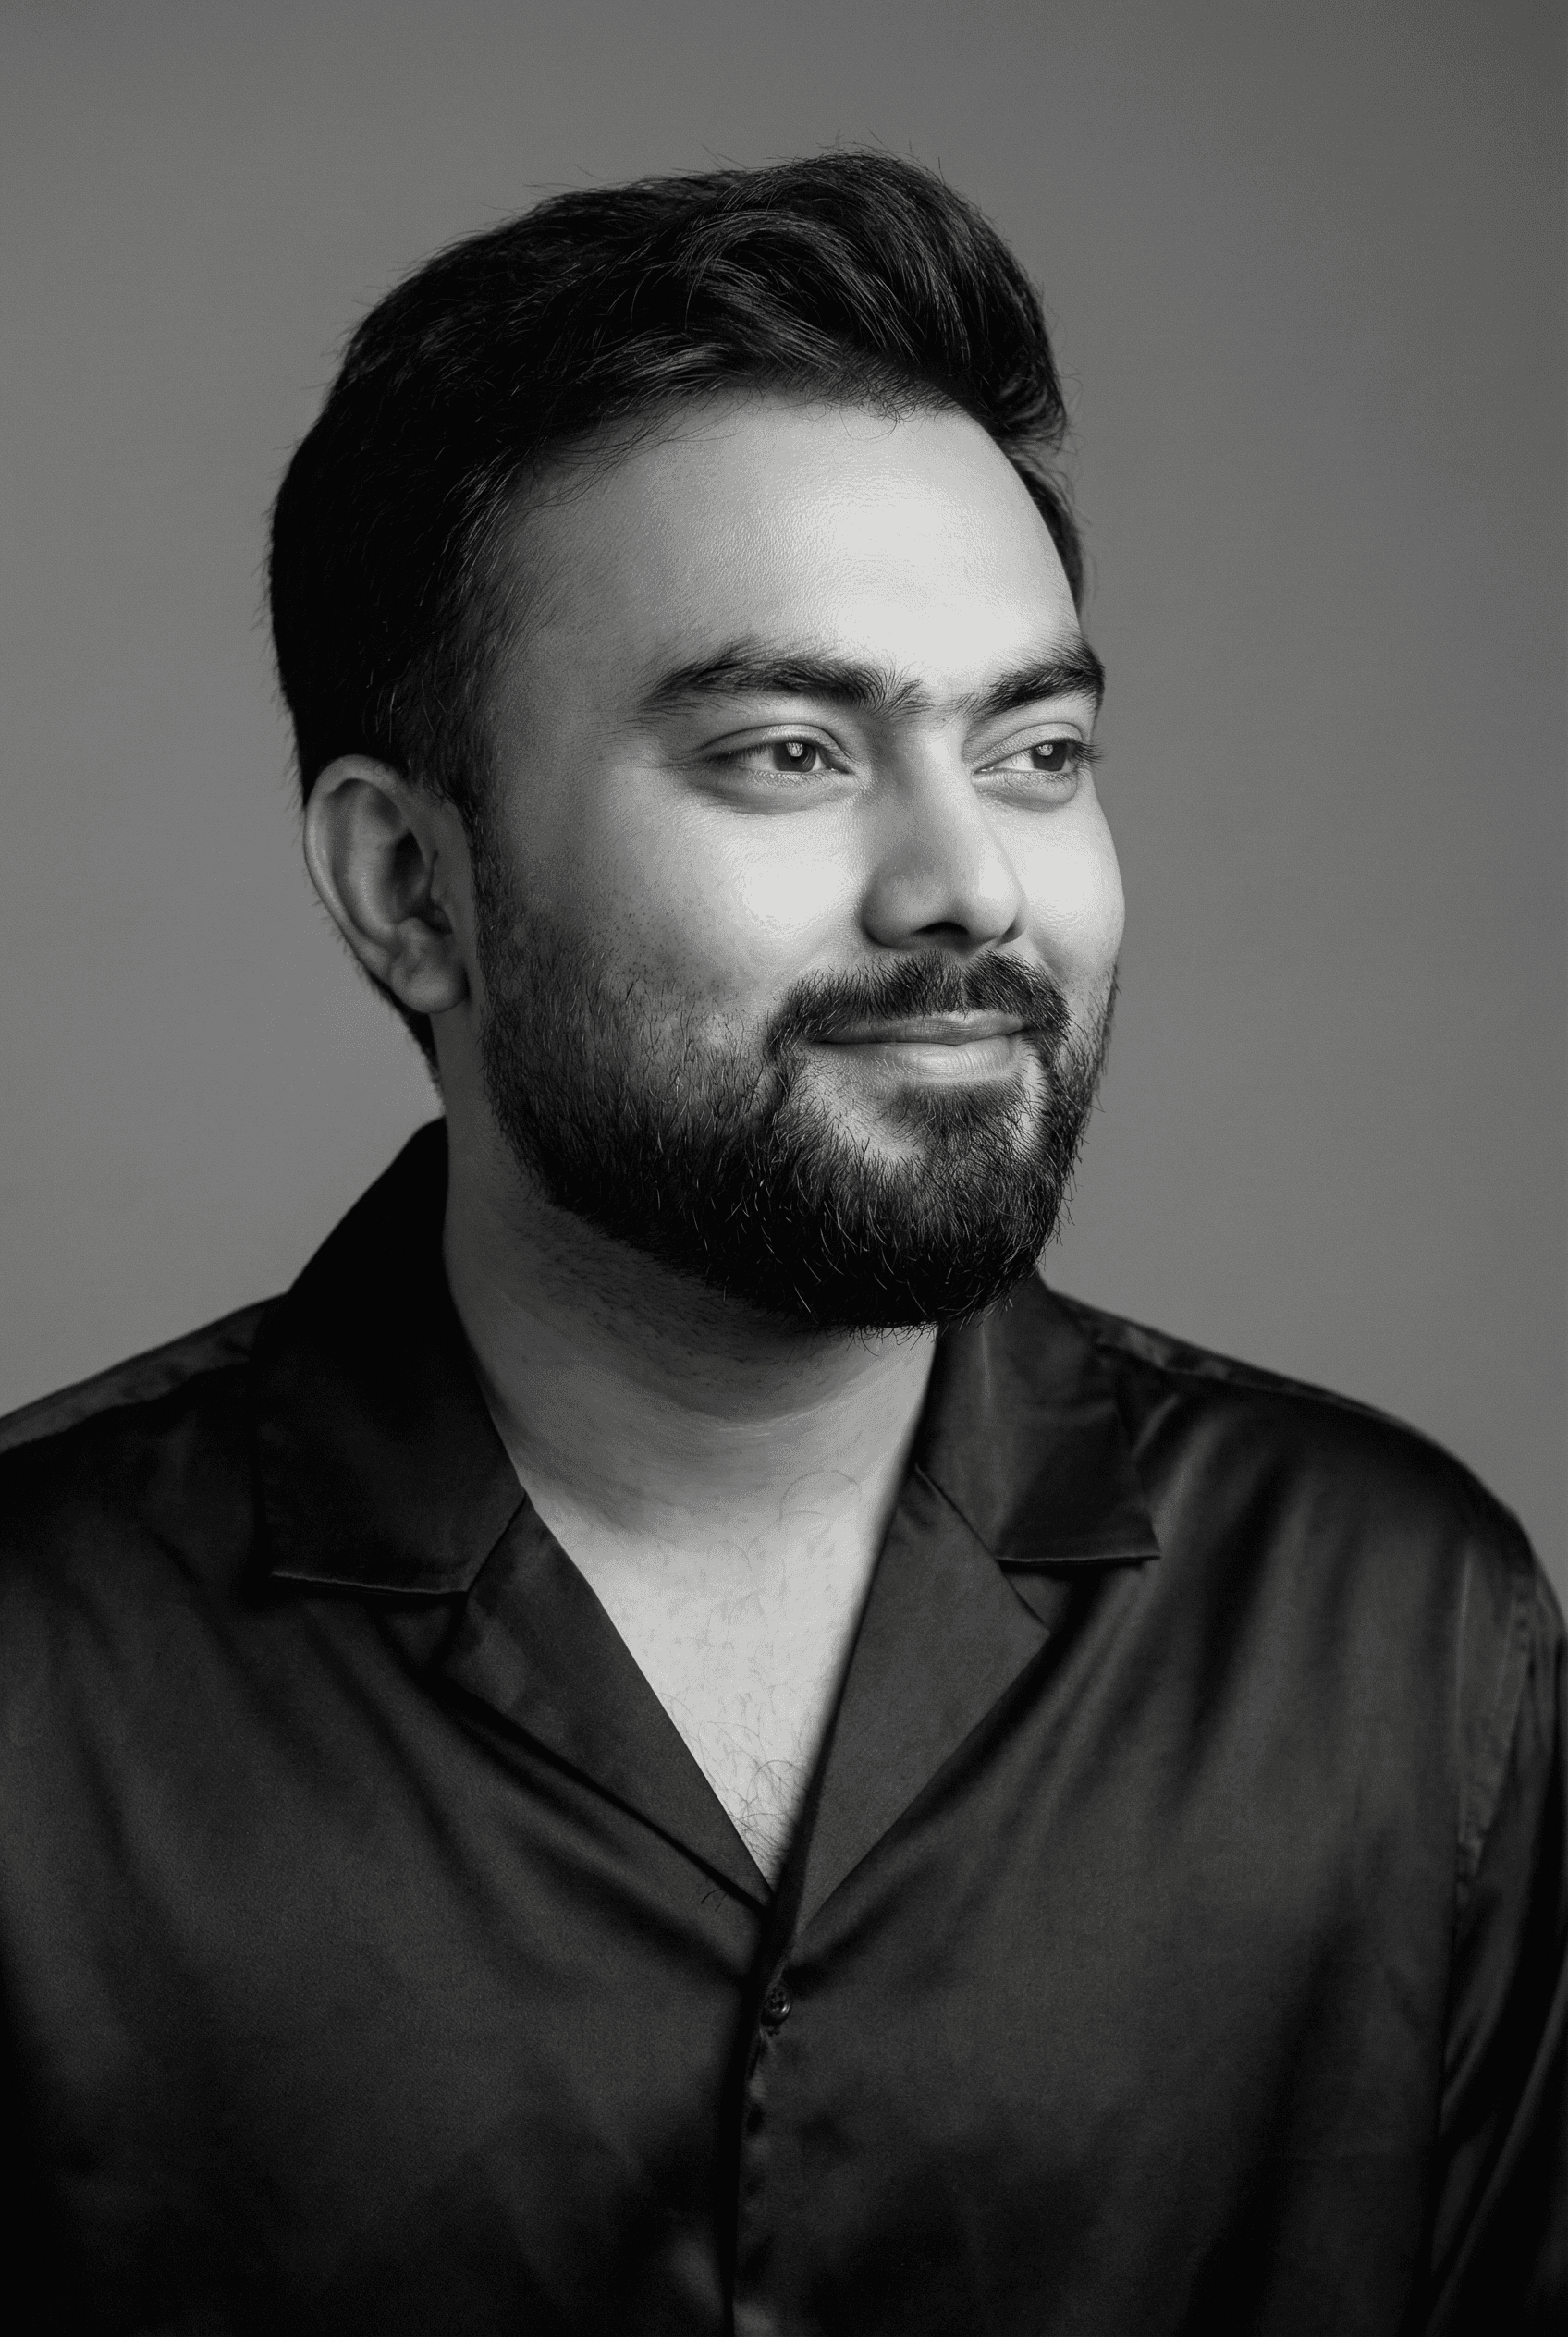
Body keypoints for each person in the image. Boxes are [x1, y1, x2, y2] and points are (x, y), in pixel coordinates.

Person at [0, 153, 1561, 2337]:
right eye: (787, 749)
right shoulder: (35, 1688)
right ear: (407, 888)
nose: (965, 886)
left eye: (1035, 748)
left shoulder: (1398, 1635)